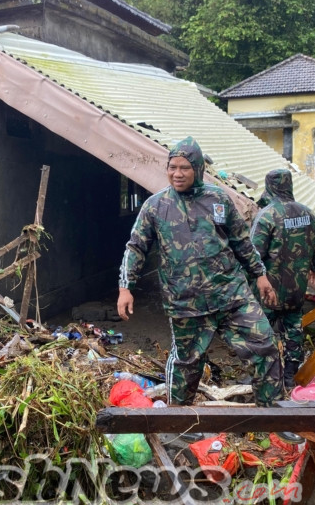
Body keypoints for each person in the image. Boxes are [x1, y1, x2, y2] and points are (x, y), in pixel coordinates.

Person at [117, 137, 284, 407]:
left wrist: (260, 275)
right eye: (172, 167)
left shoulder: (218, 199)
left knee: (264, 347)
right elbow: (136, 247)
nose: (177, 174)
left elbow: (241, 242)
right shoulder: (155, 207)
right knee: (187, 364)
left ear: (197, 168)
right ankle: (177, 421)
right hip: (185, 303)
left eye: (185, 167)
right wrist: (126, 288)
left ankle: (276, 417)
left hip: (231, 295)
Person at [251, 169, 315, 391]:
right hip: (296, 288)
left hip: (269, 289)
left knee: (260, 331)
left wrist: (250, 279)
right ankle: (291, 377)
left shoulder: (267, 215)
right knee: (293, 329)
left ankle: (263, 377)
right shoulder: (308, 214)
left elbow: (253, 253)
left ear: (269, 186)